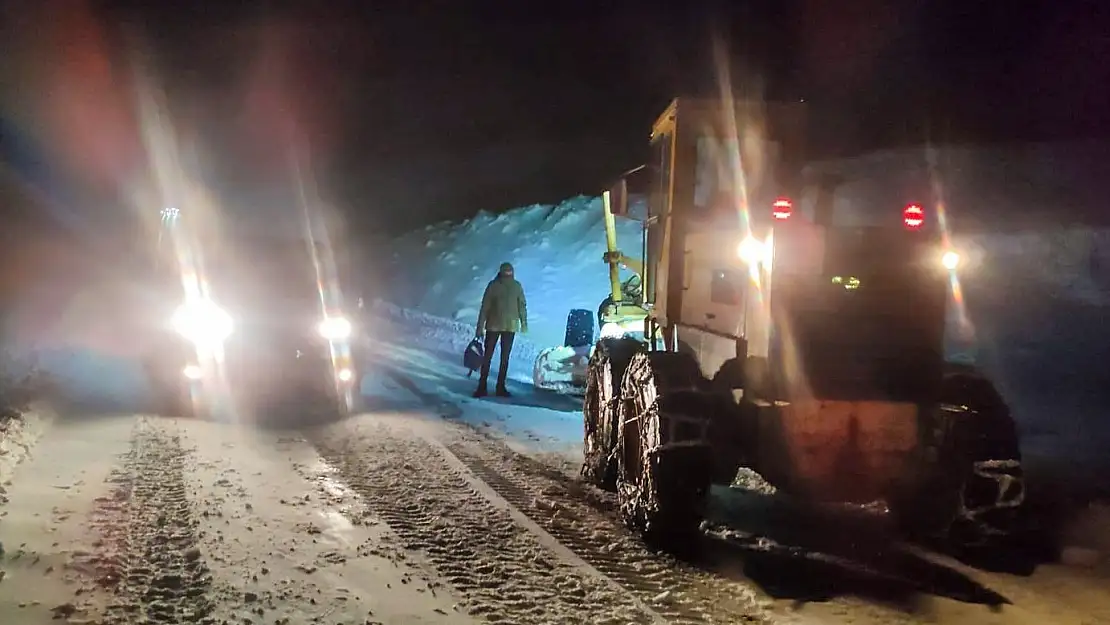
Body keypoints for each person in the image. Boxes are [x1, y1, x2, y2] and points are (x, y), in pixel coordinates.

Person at [473, 262, 527, 397]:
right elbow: (522, 306)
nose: (509, 275)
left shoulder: (495, 285)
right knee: (503, 358)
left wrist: (480, 326)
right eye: (508, 272)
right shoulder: (515, 286)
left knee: (489, 357)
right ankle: (499, 387)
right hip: (507, 326)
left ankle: (483, 386)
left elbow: (484, 307)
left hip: (495, 325)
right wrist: (523, 323)